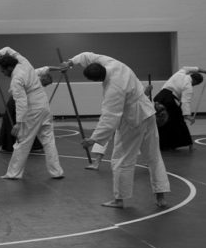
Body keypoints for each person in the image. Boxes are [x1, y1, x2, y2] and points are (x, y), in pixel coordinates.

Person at [63, 51, 170, 208]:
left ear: (98, 80)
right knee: (154, 156)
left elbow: (110, 118)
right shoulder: (111, 62)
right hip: (149, 113)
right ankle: (161, 196)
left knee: (121, 159)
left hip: (133, 121)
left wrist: (93, 139)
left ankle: (119, 200)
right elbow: (87, 55)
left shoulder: (114, 88)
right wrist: (71, 62)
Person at [0, 47, 63, 180]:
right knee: (48, 140)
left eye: (3, 70)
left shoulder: (16, 79)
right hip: (44, 106)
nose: (3, 73)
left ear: (9, 67)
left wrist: (18, 123)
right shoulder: (23, 62)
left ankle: (13, 173)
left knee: (23, 141)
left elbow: (21, 102)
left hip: (33, 109)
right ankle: (57, 172)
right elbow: (8, 49)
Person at [154, 66, 206, 151]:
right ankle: (188, 144)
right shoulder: (188, 86)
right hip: (170, 101)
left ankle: (161, 145)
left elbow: (189, 68)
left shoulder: (180, 73)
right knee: (178, 121)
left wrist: (205, 71)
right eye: (196, 84)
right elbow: (185, 102)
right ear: (195, 82)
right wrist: (188, 116)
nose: (194, 86)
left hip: (159, 97)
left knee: (160, 121)